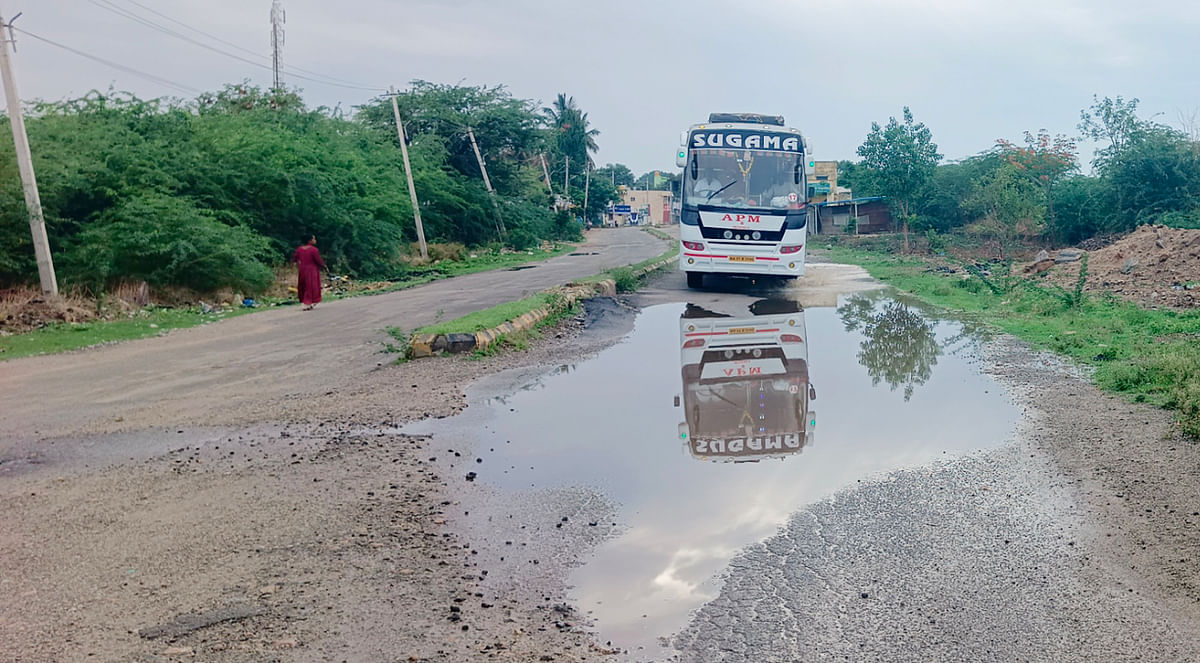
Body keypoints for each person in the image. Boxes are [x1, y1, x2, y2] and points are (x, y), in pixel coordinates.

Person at [292, 235, 327, 310]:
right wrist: (324, 266)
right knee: (312, 286)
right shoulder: (314, 250)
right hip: (312, 270)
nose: (315, 240)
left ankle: (306, 302)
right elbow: (318, 260)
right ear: (309, 240)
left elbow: (295, 259)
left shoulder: (299, 249)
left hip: (302, 270)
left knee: (303, 286)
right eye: (314, 239)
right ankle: (309, 302)